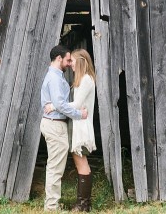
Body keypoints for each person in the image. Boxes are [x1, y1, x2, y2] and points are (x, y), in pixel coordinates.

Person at [40, 44, 86, 211]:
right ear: (59, 58)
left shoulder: (56, 76)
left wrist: (57, 106)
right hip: (55, 125)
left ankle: (52, 204)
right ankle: (52, 206)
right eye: (67, 60)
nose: (69, 63)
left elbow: (58, 104)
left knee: (55, 166)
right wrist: (79, 114)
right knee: (55, 167)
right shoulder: (55, 78)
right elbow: (60, 104)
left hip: (54, 124)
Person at [69, 49, 97, 212]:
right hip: (77, 126)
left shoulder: (86, 79)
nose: (70, 64)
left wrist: (56, 106)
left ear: (80, 61)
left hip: (82, 129)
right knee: (80, 163)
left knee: (82, 164)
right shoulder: (82, 80)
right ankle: (82, 203)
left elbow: (77, 105)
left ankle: (83, 204)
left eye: (72, 60)